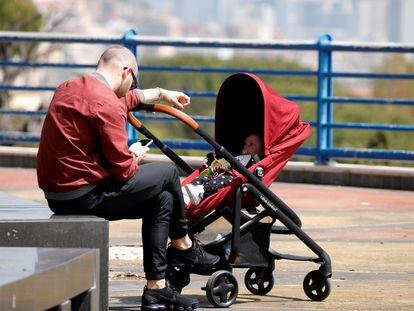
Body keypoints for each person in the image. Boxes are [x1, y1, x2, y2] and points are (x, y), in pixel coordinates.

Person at [36, 45, 219, 311]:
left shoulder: (70, 87)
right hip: (83, 196)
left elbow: (124, 99)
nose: (134, 86)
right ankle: (184, 245)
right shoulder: (106, 103)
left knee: (163, 198)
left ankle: (157, 290)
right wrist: (134, 156)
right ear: (126, 72)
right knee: (167, 173)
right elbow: (123, 172)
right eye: (134, 80)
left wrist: (160, 94)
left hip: (58, 194)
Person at [182, 134, 263, 205]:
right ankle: (190, 188)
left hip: (235, 180)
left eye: (251, 144)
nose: (246, 146)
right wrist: (219, 163)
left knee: (221, 180)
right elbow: (229, 161)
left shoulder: (256, 162)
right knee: (205, 175)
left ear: (260, 151)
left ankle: (201, 192)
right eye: (246, 144)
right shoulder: (241, 157)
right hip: (221, 173)